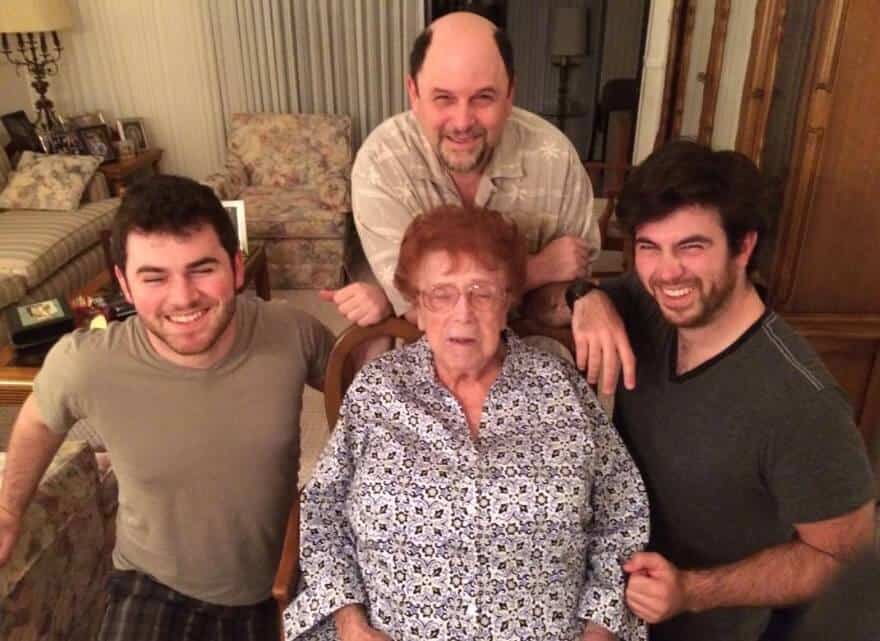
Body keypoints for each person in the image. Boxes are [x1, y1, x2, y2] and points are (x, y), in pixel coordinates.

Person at [284, 206, 649, 641]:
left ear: (508, 300)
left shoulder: (559, 386)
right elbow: (323, 512)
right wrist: (351, 624)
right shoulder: (378, 390)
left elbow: (622, 515)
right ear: (417, 304)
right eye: (441, 293)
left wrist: (599, 630)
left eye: (482, 292)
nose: (463, 313)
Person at [0, 175, 335, 640]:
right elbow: (38, 420)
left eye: (202, 269)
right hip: (154, 585)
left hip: (271, 582)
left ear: (237, 268)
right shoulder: (85, 362)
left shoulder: (294, 332)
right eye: (154, 276)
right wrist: (10, 510)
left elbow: (362, 399)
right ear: (124, 284)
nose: (182, 298)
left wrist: (382, 318)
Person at [567, 141, 876, 641]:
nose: (667, 272)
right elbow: (598, 292)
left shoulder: (802, 402)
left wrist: (693, 590)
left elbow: (845, 557)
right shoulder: (650, 307)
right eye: (649, 247)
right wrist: (587, 296)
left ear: (744, 246)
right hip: (602, 611)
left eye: (692, 247)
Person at [322, 11, 600, 339]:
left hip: (532, 357)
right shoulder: (381, 161)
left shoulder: (557, 159)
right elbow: (418, 307)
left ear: (510, 93)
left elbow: (565, 298)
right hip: (427, 357)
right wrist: (537, 268)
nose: (462, 122)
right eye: (444, 98)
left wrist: (587, 298)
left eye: (483, 97)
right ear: (413, 92)